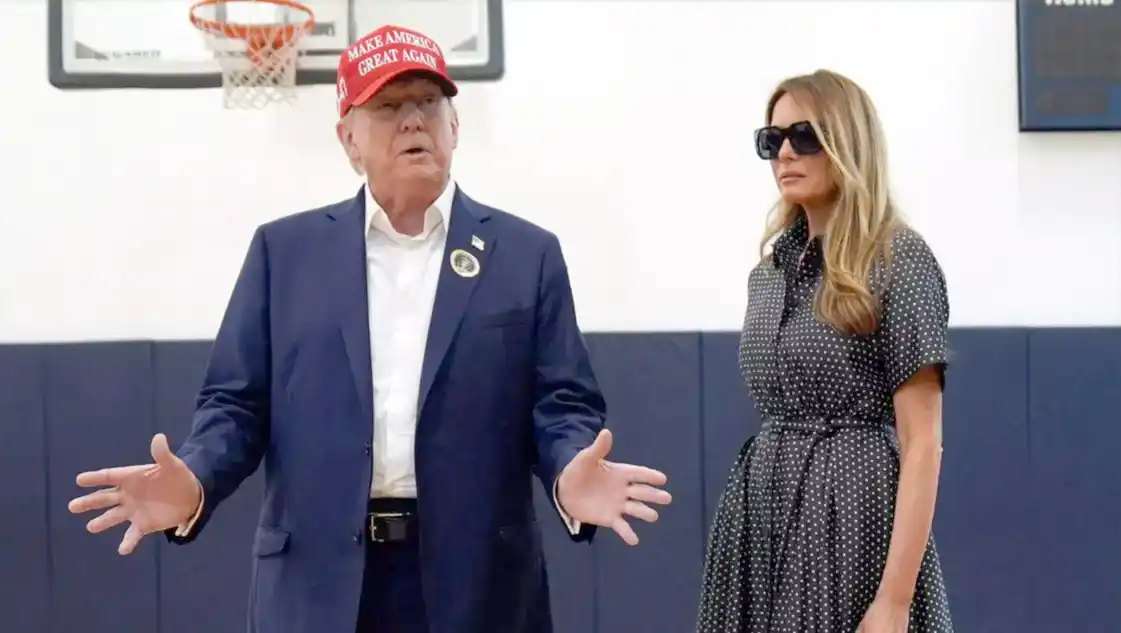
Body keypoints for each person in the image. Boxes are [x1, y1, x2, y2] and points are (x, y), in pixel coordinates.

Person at [67, 24, 672, 633]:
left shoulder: (526, 254)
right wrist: (194, 480)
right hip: (316, 586)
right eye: (387, 105)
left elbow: (561, 405)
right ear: (347, 138)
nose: (413, 120)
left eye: (429, 103)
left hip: (479, 587)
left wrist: (571, 472)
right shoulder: (284, 254)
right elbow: (235, 406)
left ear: (455, 126)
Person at [696, 69, 953, 633]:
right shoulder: (767, 274)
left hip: (854, 512)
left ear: (848, 139)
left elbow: (922, 442)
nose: (784, 152)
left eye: (804, 136)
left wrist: (894, 601)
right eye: (772, 140)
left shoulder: (898, 260)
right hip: (762, 515)